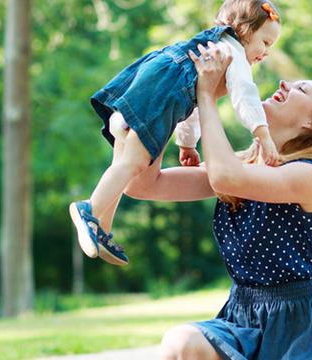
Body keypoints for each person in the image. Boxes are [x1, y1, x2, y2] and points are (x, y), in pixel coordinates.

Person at [123, 42, 312, 359]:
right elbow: (142, 184)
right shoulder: (241, 168)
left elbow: (225, 177)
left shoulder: (311, 176)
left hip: (298, 325)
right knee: (181, 343)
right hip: (242, 315)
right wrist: (166, 101)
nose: (284, 83)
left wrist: (206, 95)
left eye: (301, 89)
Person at [69, 0, 282, 266]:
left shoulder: (209, 50)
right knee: (132, 163)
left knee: (123, 164)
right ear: (244, 30)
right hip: (154, 100)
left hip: (142, 91)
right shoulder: (232, 53)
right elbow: (245, 96)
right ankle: (88, 209)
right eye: (265, 42)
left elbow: (190, 102)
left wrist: (187, 144)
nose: (266, 52)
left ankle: (102, 227)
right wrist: (262, 134)